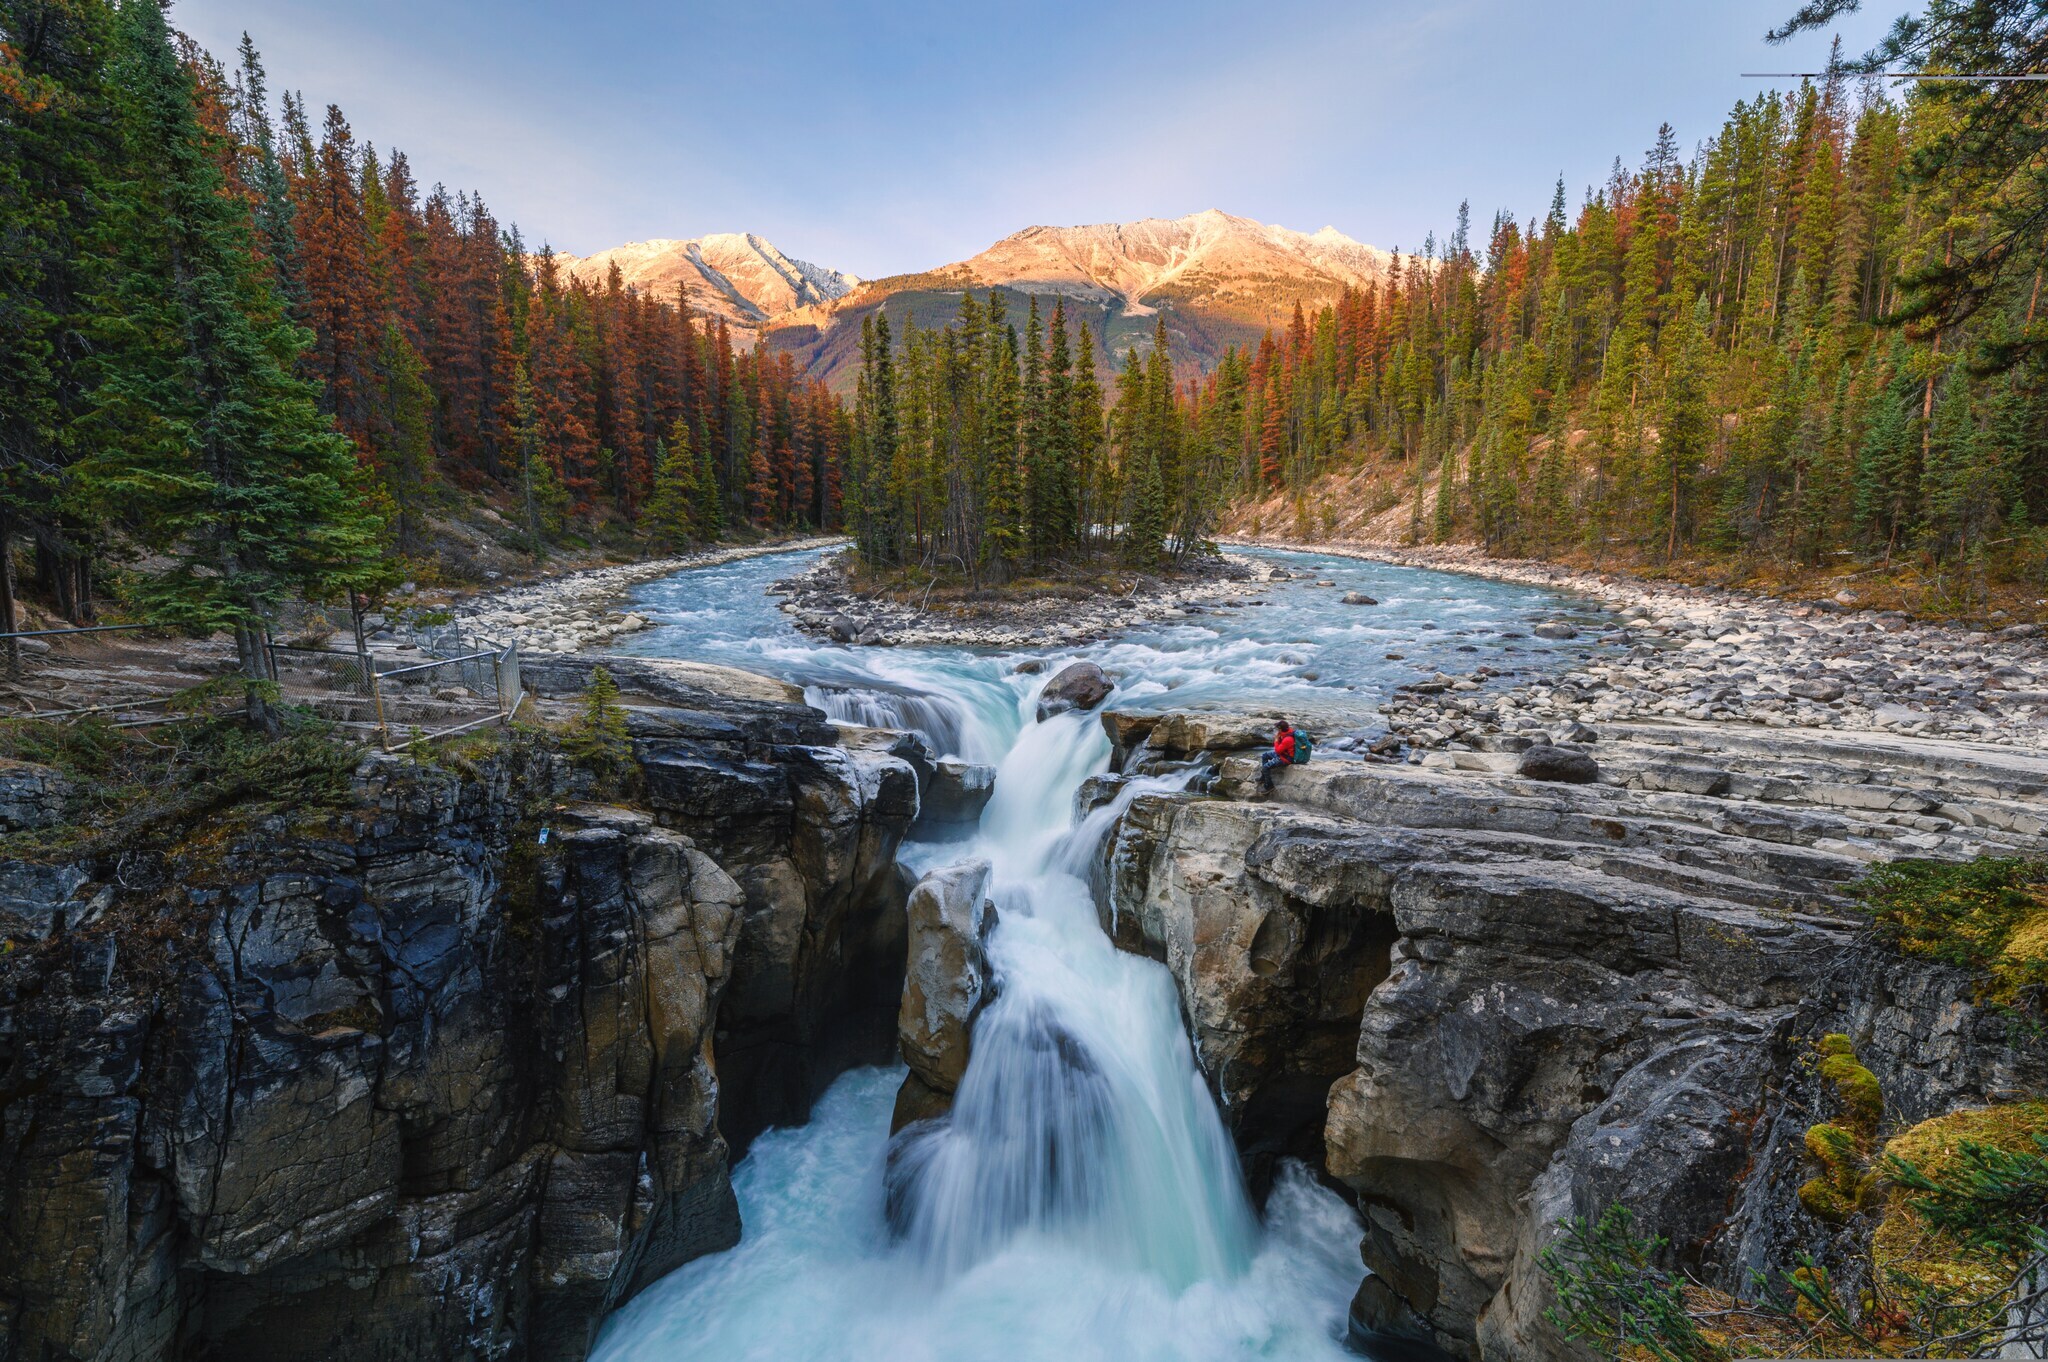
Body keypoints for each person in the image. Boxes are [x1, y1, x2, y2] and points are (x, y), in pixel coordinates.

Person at [1259, 719, 1296, 792]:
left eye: (1277, 728)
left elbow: (1277, 751)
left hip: (1285, 759)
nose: (1276, 730)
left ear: (1280, 729)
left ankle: (1269, 786)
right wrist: (1279, 737)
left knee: (1266, 767)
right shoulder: (1286, 733)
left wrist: (1276, 741)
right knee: (1264, 756)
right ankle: (1264, 777)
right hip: (1282, 754)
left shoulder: (1288, 739)